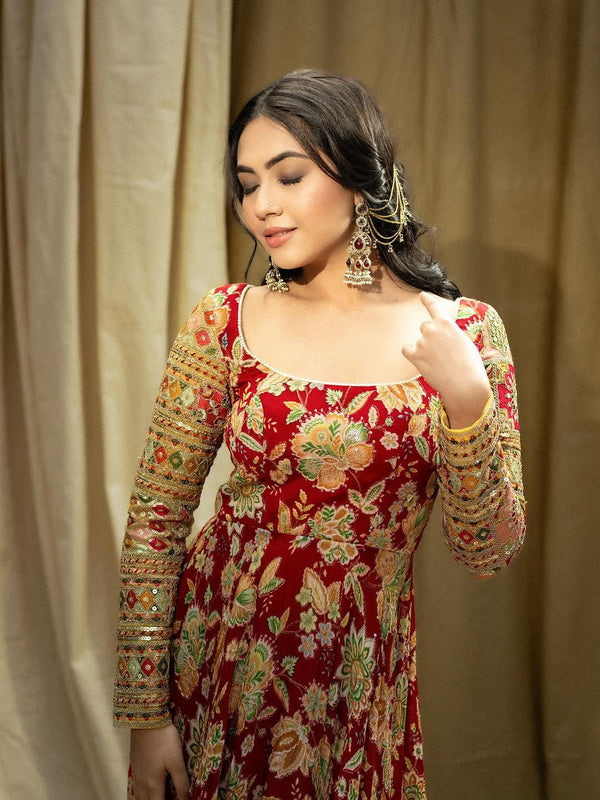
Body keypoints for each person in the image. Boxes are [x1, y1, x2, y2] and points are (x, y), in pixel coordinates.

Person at [114, 69, 526, 800]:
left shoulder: (462, 333)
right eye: (247, 184)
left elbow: (486, 550)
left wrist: (468, 402)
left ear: (360, 175)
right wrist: (148, 715)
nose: (261, 206)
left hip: (358, 692)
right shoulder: (226, 320)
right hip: (214, 673)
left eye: (289, 175)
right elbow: (156, 521)